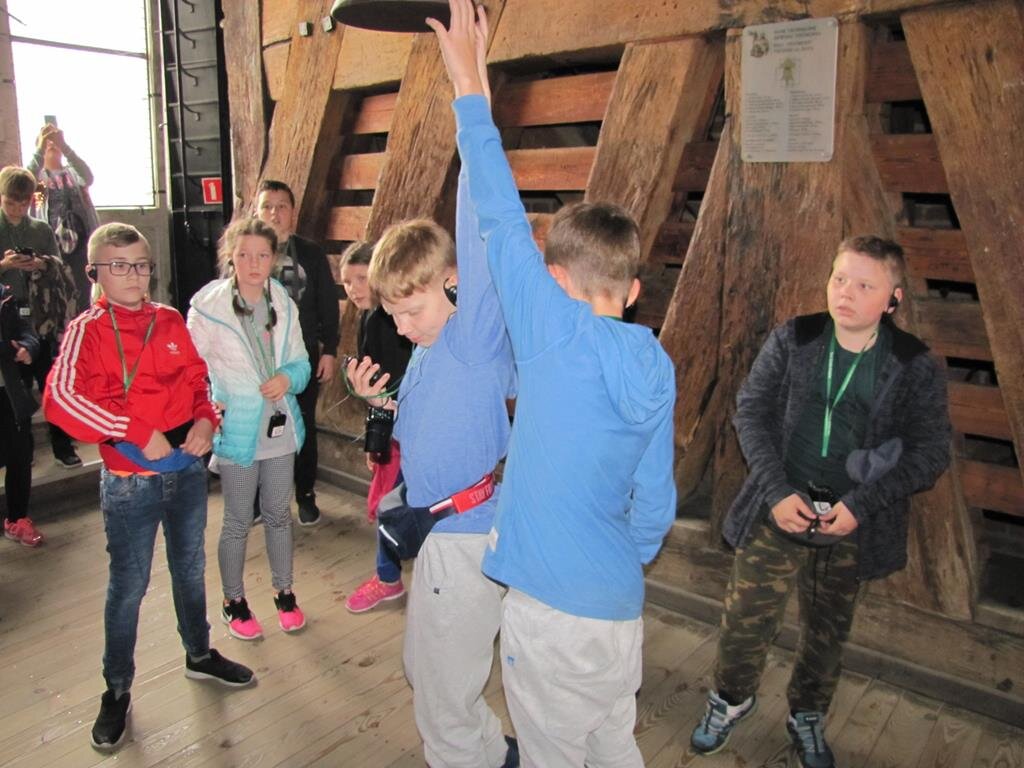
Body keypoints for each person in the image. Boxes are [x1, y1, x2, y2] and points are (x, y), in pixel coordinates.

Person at [430, 4, 677, 765]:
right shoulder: (655, 363)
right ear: (633, 290)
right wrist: (617, 558)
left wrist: (468, 82)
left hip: (551, 609)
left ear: (557, 279)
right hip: (618, 608)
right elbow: (655, 500)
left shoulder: (553, 326)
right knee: (612, 744)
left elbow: (500, 216)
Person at [687, 236, 951, 768]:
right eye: (839, 278)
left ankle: (807, 712)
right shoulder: (796, 337)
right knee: (744, 618)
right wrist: (775, 490)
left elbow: (930, 452)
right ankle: (730, 699)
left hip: (851, 522)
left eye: (864, 285)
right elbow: (751, 410)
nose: (845, 293)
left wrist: (861, 506)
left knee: (828, 632)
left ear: (893, 299)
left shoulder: (913, 363)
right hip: (779, 509)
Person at [43, 223, 255, 752]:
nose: (133, 275)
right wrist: (135, 431)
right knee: (129, 587)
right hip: (130, 483)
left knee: (190, 569)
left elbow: (197, 380)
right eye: (119, 265)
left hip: (185, 471)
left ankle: (199, 654)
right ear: (95, 271)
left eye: (141, 264)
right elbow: (59, 400)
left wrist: (206, 420)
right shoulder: (87, 331)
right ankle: (116, 688)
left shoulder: (169, 319)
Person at [345, 210, 516, 762]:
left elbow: (479, 221)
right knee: (426, 669)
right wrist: (381, 402)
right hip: (439, 536)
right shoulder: (429, 344)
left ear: (453, 283)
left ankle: (464, 756)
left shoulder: (469, 339)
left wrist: (473, 149)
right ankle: (490, 752)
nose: (401, 328)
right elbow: (429, 424)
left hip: (465, 536)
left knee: (442, 697)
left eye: (411, 311)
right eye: (392, 315)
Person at [187, 217, 311, 641]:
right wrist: (206, 402)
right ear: (231, 257)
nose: (254, 264)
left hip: (279, 428)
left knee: (278, 514)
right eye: (244, 255)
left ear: (274, 259)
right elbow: (189, 367)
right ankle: (233, 600)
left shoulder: (284, 304)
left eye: (262, 255)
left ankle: (284, 592)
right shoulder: (209, 309)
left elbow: (301, 363)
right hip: (238, 429)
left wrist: (288, 378)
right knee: (238, 520)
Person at [255, 180, 340, 526]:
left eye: (282, 206)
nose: (274, 213)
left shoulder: (310, 253)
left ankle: (305, 494)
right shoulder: (245, 252)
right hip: (258, 358)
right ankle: (259, 499)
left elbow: (328, 304)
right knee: (257, 426)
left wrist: (329, 349)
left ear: (293, 212)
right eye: (267, 206)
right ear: (257, 212)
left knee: (302, 425)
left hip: (300, 358)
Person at [340, 240, 413, 614]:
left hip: (409, 427)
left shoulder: (394, 319)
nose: (353, 289)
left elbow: (394, 383)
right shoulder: (370, 317)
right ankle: (389, 576)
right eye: (346, 281)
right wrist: (376, 438)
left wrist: (384, 436)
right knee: (392, 501)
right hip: (392, 426)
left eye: (361, 278)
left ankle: (389, 578)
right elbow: (375, 387)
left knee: (394, 504)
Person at [0, 165, 81, 468]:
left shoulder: (41, 229)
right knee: (15, 389)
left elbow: (58, 266)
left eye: (23, 204)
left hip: (39, 314)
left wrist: (40, 264)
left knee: (51, 381)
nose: (18, 209)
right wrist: (5, 265)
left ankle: (63, 446)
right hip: (6, 318)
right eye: (11, 203)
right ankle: (21, 449)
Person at [28, 123, 100, 307]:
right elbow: (25, 182)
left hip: (80, 242)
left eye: (54, 141)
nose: (51, 144)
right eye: (47, 142)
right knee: (56, 290)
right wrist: (40, 149)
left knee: (83, 289)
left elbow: (88, 177)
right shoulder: (39, 180)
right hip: (51, 244)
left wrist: (65, 147)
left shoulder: (73, 174)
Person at [0, 279, 41, 546]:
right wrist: (7, 348)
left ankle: (17, 518)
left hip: (9, 392)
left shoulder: (5, 298)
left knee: (20, 455)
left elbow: (27, 331)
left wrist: (27, 347)